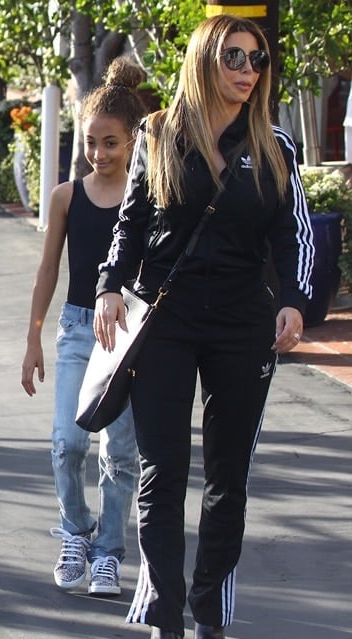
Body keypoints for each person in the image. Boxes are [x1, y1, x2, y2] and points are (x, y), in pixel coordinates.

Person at [93, 15, 315, 639]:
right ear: (204, 60)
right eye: (234, 58)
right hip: (166, 319)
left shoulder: (277, 144)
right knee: (162, 471)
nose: (248, 71)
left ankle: (209, 611)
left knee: (228, 477)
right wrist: (110, 286)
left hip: (243, 322)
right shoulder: (158, 135)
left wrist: (294, 301)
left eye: (257, 60)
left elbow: (292, 233)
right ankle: (165, 615)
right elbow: (130, 224)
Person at [21, 57, 147, 596]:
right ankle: (76, 529)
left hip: (130, 333)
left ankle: (109, 552)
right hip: (76, 329)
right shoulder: (67, 196)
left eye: (111, 143)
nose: (98, 153)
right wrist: (33, 337)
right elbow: (49, 268)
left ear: (133, 141)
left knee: (120, 454)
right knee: (67, 445)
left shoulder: (149, 199)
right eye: (91, 141)